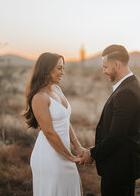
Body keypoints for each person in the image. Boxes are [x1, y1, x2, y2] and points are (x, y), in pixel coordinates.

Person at [80, 44, 140, 196]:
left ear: (117, 65)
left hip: (119, 169)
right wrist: (94, 149)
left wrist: (93, 154)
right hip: (123, 166)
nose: (103, 71)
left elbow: (116, 135)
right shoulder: (131, 86)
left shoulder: (126, 93)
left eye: (105, 67)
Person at [22, 52, 83, 196]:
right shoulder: (39, 97)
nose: (63, 72)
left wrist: (78, 147)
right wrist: (71, 157)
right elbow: (49, 132)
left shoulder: (57, 90)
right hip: (49, 157)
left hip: (64, 152)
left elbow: (65, 121)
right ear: (47, 70)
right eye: (59, 68)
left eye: (63, 68)